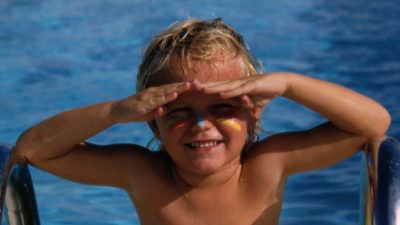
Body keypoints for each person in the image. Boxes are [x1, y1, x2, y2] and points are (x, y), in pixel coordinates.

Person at [14, 18, 390, 225]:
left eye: (222, 109)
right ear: (152, 123)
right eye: (178, 113)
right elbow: (34, 150)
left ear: (252, 113)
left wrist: (288, 84)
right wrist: (116, 111)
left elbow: (372, 125)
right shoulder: (143, 173)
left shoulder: (267, 166)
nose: (201, 125)